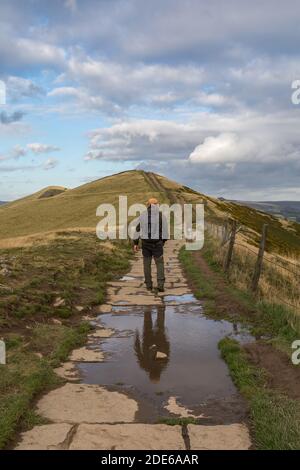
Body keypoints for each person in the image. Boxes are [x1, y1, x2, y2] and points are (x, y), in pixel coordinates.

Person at [133, 198, 168, 292]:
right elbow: (165, 231)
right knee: (160, 264)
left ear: (147, 205)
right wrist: (162, 242)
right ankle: (160, 285)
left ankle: (149, 285)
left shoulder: (143, 215)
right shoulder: (161, 216)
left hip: (146, 244)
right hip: (157, 244)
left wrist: (135, 243)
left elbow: (137, 230)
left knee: (146, 264)